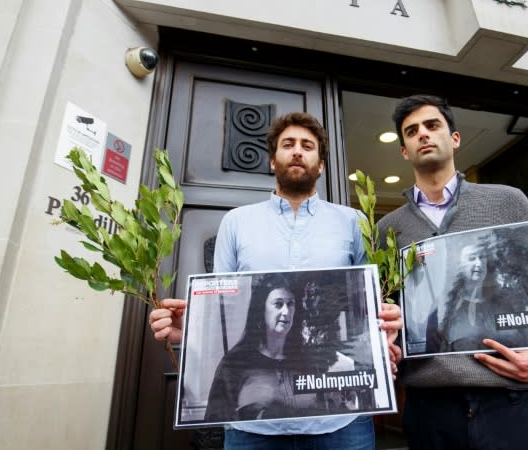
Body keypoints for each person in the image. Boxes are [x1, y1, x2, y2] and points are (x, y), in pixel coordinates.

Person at [149, 111, 402, 450]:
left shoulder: (353, 222)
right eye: (288, 144)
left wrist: (386, 330)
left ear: (321, 164)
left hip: (340, 424)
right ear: (272, 161)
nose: (297, 151)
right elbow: (223, 301)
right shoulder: (236, 223)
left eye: (307, 146)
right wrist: (193, 326)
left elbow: (366, 307)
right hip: (253, 431)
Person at [378, 94, 528, 449]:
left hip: (515, 403)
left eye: (432, 125)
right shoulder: (386, 228)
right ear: (404, 151)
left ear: (454, 138)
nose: (423, 135)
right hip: (431, 411)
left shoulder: (508, 200)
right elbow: (389, 318)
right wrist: (388, 346)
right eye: (412, 131)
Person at [205, 274, 357, 422]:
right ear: (261, 310)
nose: (286, 311)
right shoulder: (235, 363)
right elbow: (214, 422)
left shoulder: (308, 360)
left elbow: (325, 412)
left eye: (290, 304)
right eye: (278, 304)